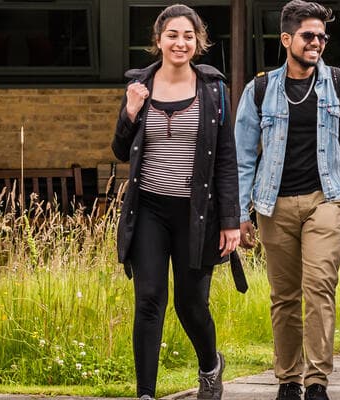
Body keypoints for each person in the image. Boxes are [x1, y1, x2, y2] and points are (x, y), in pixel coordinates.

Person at [233, 1, 340, 399]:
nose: (318, 42)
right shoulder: (259, 90)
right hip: (274, 205)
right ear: (286, 38)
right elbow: (241, 157)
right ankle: (288, 379)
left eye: (322, 36)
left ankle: (317, 380)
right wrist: (241, 213)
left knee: (320, 285)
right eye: (309, 35)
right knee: (284, 295)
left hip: (326, 200)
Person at [110, 4, 241, 399]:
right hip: (149, 207)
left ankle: (209, 365)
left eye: (188, 36)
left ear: (198, 42)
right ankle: (146, 393)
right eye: (172, 35)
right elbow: (120, 150)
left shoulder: (213, 89)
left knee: (191, 305)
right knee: (149, 299)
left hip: (195, 214)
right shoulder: (139, 87)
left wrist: (230, 220)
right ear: (158, 40)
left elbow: (225, 157)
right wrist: (130, 111)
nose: (179, 43)